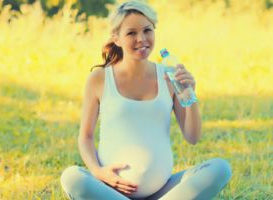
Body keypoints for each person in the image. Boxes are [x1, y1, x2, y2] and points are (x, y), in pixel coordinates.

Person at [60, 0, 232, 199]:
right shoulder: (100, 79)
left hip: (163, 191)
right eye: (131, 33)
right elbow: (85, 137)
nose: (141, 39)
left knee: (220, 168)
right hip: (110, 192)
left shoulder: (169, 76)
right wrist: (98, 172)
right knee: (72, 177)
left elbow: (192, 137)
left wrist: (190, 95)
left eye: (147, 30)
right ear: (116, 38)